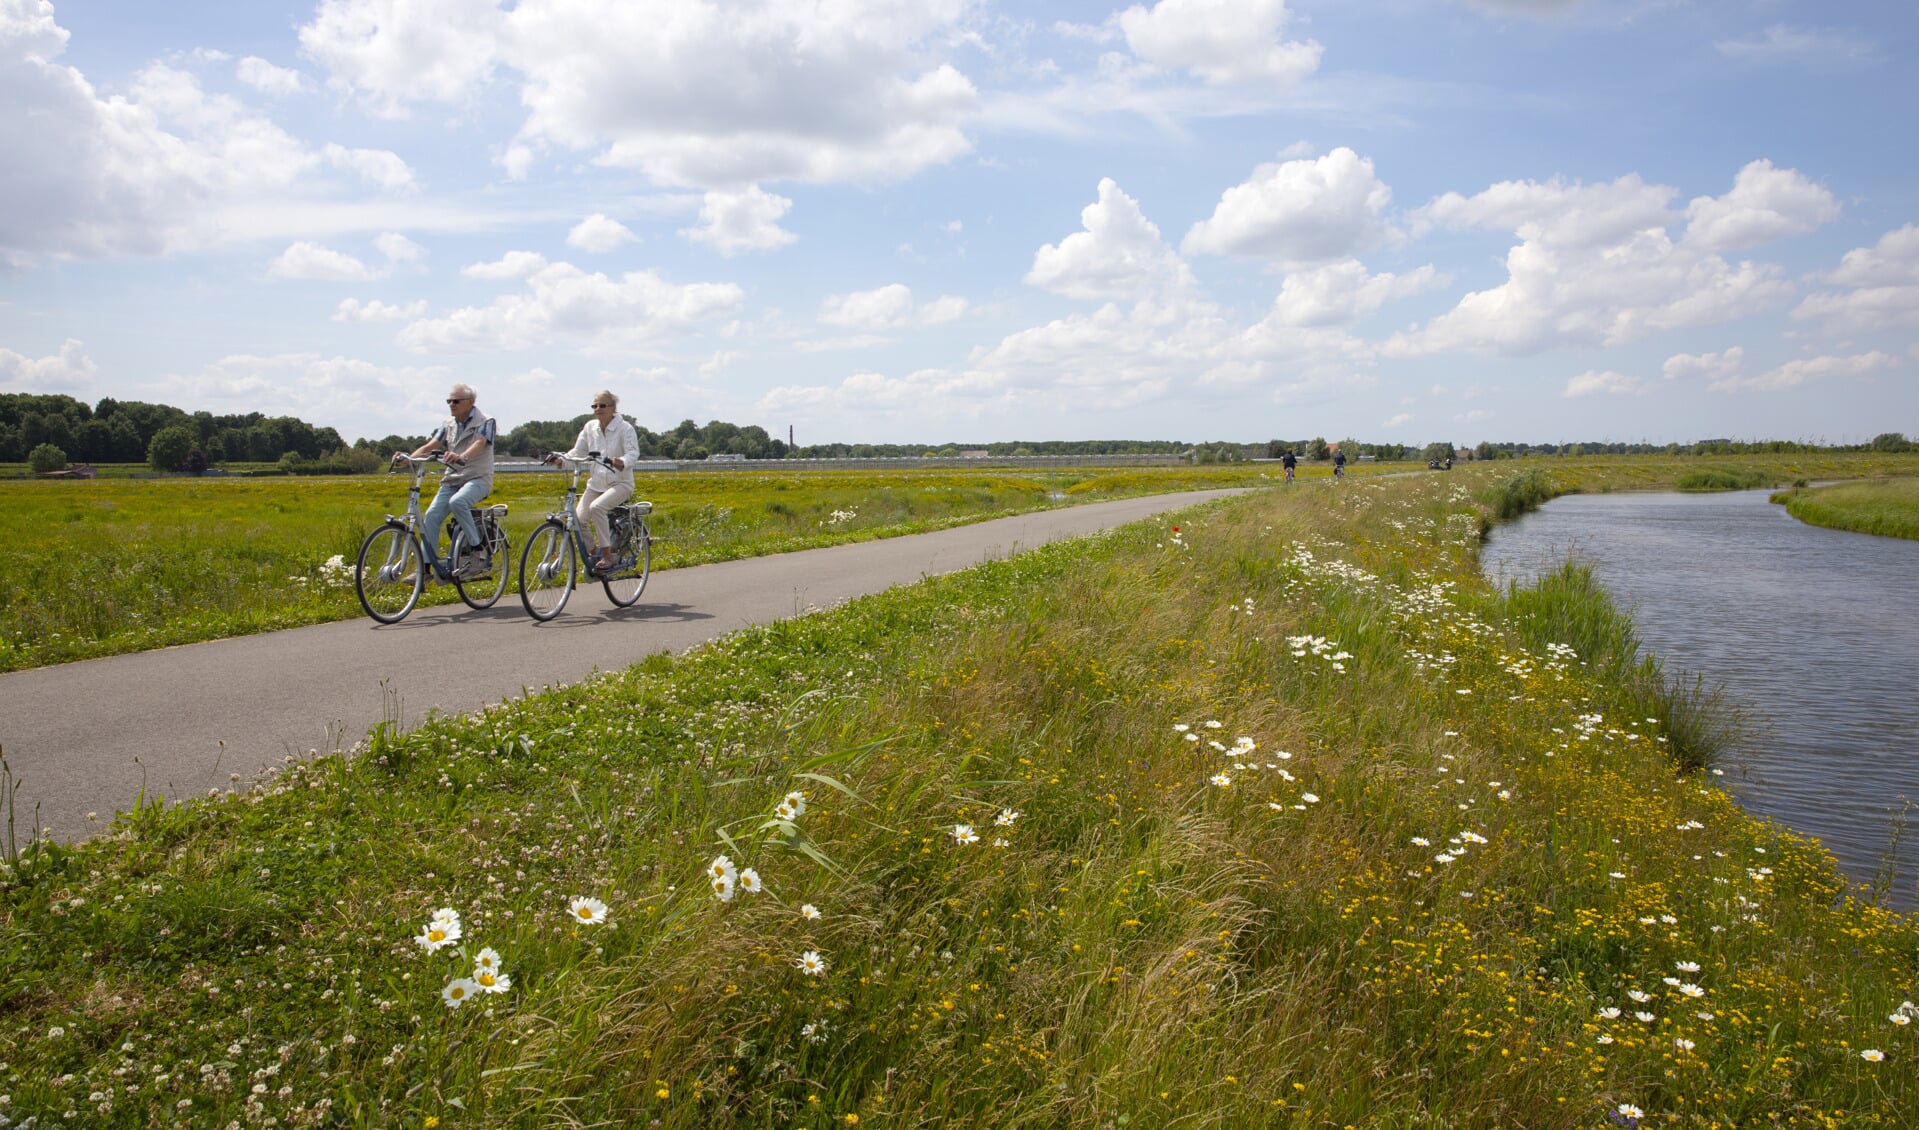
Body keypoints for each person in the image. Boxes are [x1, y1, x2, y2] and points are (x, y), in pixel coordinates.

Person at [398, 383, 496, 581]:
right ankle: (424, 570)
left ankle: (478, 551)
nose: (451, 404)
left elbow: (479, 443)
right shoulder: (448, 423)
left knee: (457, 502)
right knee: (432, 515)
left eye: (456, 401)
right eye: (449, 401)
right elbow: (432, 444)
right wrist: (409, 458)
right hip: (452, 478)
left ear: (471, 402)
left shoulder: (486, 421)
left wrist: (462, 456)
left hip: (478, 477)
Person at [546, 390, 639, 576]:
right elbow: (577, 452)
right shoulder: (590, 427)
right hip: (596, 484)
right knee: (578, 520)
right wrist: (561, 460)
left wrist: (622, 461)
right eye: (594, 406)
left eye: (602, 405)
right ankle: (595, 554)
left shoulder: (625, 428)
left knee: (598, 508)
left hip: (620, 483)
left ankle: (607, 554)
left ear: (613, 407)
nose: (597, 409)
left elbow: (633, 453)